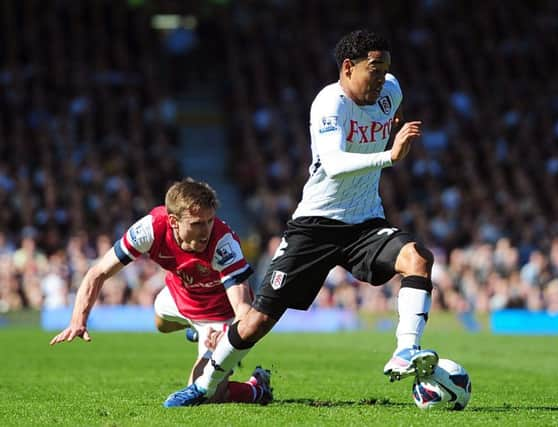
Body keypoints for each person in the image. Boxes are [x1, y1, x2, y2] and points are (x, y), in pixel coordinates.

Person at [163, 29, 438, 407]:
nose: (381, 77)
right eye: (373, 69)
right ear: (347, 67)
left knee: (418, 258)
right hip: (315, 225)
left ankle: (406, 350)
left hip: (365, 222)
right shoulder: (329, 104)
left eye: (386, 69)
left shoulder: (391, 90)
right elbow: (337, 164)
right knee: (259, 320)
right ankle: (206, 385)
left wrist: (393, 124)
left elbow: (395, 109)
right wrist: (389, 155)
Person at [50, 178, 273, 405]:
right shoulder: (151, 228)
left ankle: (256, 388)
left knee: (207, 394)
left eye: (209, 221)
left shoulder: (223, 243)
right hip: (177, 296)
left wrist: (230, 332)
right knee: (161, 324)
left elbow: (243, 307)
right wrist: (78, 319)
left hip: (218, 314)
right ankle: (194, 330)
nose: (205, 230)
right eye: (196, 223)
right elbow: (97, 273)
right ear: (174, 221)